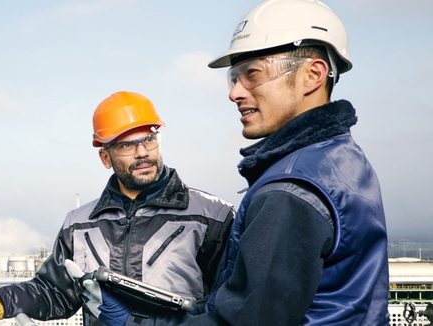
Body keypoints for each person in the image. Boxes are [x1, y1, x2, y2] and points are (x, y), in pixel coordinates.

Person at [82, 1, 389, 325]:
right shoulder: (340, 160)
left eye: (252, 74)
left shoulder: (289, 191)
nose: (235, 93)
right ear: (106, 155)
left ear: (312, 75)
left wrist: (135, 324)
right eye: (234, 77)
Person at [0, 91, 236, 326]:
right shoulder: (79, 225)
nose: (142, 152)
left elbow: (234, 304)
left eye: (149, 139)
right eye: (127, 144)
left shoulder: (212, 217)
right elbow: (56, 291)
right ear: (105, 157)